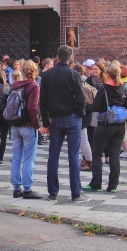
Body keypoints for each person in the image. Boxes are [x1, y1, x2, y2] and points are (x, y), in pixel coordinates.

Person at [39, 45, 89, 203]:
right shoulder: (74, 74)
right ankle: (76, 193)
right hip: (72, 117)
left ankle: (52, 192)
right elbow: (81, 98)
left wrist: (46, 122)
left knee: (53, 156)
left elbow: (43, 101)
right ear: (70, 59)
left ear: (57, 57)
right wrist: (80, 113)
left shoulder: (47, 75)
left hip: (55, 119)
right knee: (73, 156)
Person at [85, 62, 127, 193]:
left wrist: (87, 107)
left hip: (105, 124)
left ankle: (96, 183)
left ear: (107, 74)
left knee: (97, 153)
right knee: (114, 155)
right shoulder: (124, 88)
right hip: (120, 124)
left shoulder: (104, 88)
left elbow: (96, 107)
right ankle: (113, 185)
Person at [10, 61, 44, 199]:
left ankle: (16, 188)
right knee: (28, 159)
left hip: (15, 125)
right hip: (28, 126)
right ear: (35, 72)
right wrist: (37, 125)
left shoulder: (15, 85)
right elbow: (32, 108)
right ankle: (27, 189)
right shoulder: (33, 86)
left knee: (16, 157)